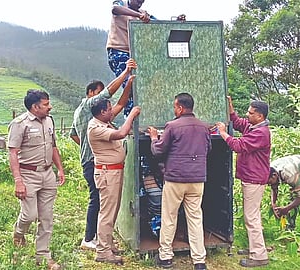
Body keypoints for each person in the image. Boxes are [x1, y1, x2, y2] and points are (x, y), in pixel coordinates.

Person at [69, 58, 137, 250]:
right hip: (96, 163)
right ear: (90, 94)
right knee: (97, 201)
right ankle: (89, 239)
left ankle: (100, 238)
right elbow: (109, 93)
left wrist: (129, 85)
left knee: (102, 202)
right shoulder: (87, 107)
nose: (102, 98)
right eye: (98, 94)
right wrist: (125, 72)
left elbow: (73, 134)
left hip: (93, 159)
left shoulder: (96, 116)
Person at [148, 93, 211, 270]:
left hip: (175, 179)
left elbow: (158, 151)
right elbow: (209, 148)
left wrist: (154, 137)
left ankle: (166, 257)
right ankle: (199, 261)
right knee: (195, 219)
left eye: (175, 107)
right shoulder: (204, 127)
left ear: (181, 108)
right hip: (197, 180)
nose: (174, 110)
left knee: (169, 217)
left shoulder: (172, 126)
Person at [7, 89, 66, 270]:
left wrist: (60, 169)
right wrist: (18, 180)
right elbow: (13, 153)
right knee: (29, 215)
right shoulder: (19, 124)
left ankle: (43, 256)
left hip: (47, 174)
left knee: (46, 217)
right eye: (46, 104)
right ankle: (18, 233)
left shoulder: (49, 121)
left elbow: (53, 146)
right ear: (35, 106)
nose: (50, 107)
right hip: (28, 175)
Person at [216, 97, 270, 268]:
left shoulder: (261, 133)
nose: (247, 115)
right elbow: (239, 123)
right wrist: (231, 109)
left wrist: (223, 133)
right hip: (251, 177)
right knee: (253, 215)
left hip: (254, 179)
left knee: (251, 217)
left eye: (251, 113)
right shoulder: (254, 126)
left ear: (260, 116)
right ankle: (254, 248)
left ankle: (259, 256)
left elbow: (238, 145)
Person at [88, 99, 141, 264]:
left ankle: (108, 244)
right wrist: (132, 114)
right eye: (110, 109)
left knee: (113, 210)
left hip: (113, 171)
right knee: (107, 213)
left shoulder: (105, 122)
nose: (112, 112)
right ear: (102, 112)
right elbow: (120, 134)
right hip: (107, 173)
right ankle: (103, 251)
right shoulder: (95, 128)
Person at [106, 0, 154, 116]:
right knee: (130, 85)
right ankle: (130, 119)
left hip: (135, 54)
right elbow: (115, 9)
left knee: (140, 86)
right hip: (118, 51)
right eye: (137, 0)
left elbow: (158, 23)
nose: (139, 4)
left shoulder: (144, 13)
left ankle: (138, 117)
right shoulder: (121, 4)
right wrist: (138, 16)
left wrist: (177, 21)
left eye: (141, 2)